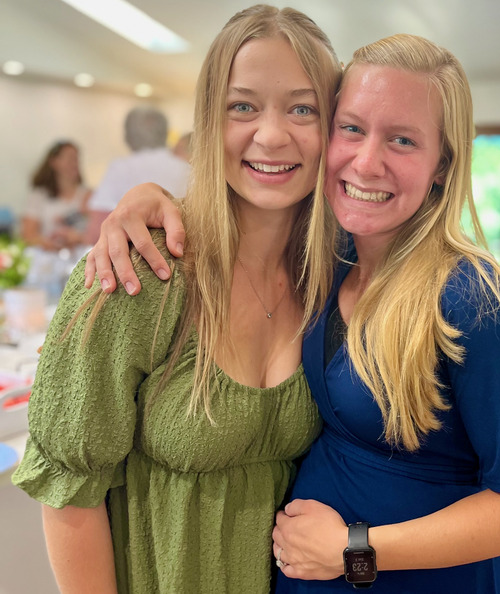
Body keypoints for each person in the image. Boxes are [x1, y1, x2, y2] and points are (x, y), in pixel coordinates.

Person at [84, 32, 500, 593]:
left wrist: (355, 551)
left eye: (403, 140)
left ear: (441, 166)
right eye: (351, 128)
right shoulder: (329, 261)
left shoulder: (470, 300)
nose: (366, 160)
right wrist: (151, 198)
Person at [12, 5, 342, 593]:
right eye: (243, 106)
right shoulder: (143, 271)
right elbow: (69, 495)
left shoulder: (330, 279)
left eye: (302, 108)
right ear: (208, 122)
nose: (271, 134)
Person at [85, 106, 191, 244]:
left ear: (129, 135)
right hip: (181, 251)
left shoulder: (120, 168)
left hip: (134, 258)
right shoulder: (186, 168)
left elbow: (97, 231)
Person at [21, 140, 92, 251]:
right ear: (54, 162)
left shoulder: (88, 195)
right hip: (47, 258)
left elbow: (96, 234)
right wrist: (47, 243)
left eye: (76, 158)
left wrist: (77, 238)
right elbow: (28, 235)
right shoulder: (38, 196)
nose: (74, 163)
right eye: (69, 158)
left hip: (79, 256)